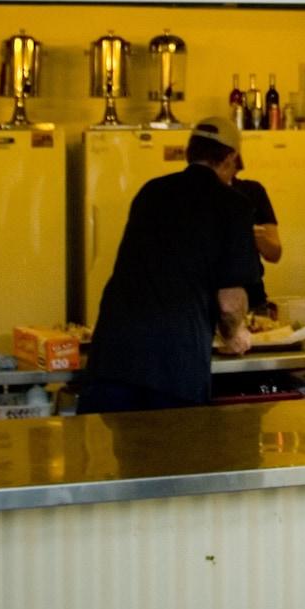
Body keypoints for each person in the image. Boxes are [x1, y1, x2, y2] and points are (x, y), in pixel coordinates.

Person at [75, 116, 261, 413]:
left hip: (115, 351)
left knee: (117, 456)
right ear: (230, 157)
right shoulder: (234, 206)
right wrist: (234, 333)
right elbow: (229, 303)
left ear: (191, 152)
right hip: (175, 363)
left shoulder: (152, 192)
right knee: (173, 456)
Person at [230, 172, 281, 313]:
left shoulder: (251, 191)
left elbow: (275, 254)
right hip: (202, 298)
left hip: (251, 296)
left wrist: (256, 236)